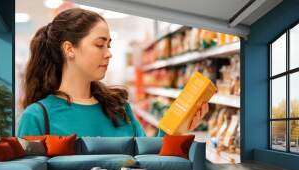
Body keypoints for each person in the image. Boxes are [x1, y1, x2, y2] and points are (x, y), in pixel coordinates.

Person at [17, 8, 208, 138]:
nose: (109, 53)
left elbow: (149, 162)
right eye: (99, 45)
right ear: (69, 49)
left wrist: (177, 131)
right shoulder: (37, 117)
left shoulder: (118, 108)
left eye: (108, 45)